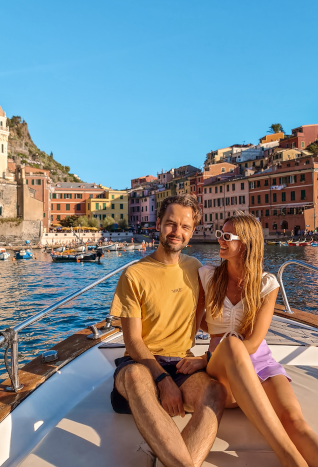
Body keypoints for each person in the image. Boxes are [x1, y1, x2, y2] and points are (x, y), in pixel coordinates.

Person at [177, 212, 318, 467]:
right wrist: (205, 356)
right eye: (220, 234)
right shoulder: (208, 276)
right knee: (230, 343)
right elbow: (196, 322)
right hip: (221, 366)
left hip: (261, 364)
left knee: (294, 421)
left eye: (226, 236)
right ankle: (290, 459)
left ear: (245, 243)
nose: (220, 239)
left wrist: (203, 358)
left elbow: (254, 343)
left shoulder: (267, 284)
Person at [109, 195, 226, 467]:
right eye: (171, 224)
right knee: (138, 378)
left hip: (181, 363)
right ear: (159, 225)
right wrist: (163, 379)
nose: (177, 232)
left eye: (185, 227)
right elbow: (133, 341)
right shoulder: (134, 275)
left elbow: (203, 320)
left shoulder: (195, 269)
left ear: (192, 232)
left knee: (216, 392)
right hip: (140, 363)